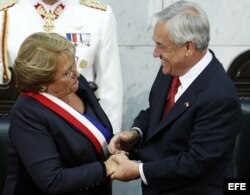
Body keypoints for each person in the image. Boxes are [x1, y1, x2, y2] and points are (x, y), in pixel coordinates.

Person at [108, 1, 242, 195]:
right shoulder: (171, 67)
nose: (155, 54)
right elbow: (154, 112)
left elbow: (196, 162)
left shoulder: (220, 96)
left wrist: (139, 170)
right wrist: (135, 134)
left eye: (161, 46)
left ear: (188, 47)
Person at [2, 32, 125, 195]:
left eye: (74, 64)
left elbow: (93, 135)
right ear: (42, 82)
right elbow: (53, 181)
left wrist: (119, 146)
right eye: (67, 72)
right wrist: (106, 167)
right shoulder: (27, 112)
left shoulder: (76, 85)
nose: (77, 74)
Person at [0, 0, 122, 133]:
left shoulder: (98, 15)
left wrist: (110, 139)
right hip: (28, 125)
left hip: (81, 127)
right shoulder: (6, 14)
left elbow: (110, 88)